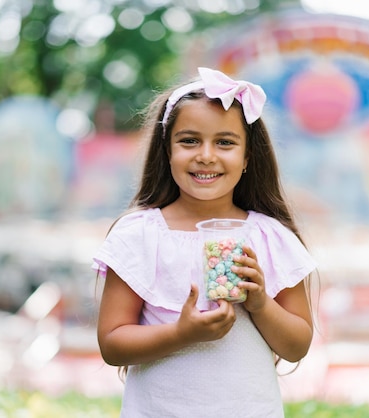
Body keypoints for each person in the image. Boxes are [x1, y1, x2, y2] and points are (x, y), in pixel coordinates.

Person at [93, 67, 317, 417]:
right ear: (167, 152)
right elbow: (112, 344)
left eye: (225, 142)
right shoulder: (139, 236)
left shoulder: (269, 238)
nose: (206, 155)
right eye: (189, 140)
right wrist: (181, 334)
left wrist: (259, 302)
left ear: (247, 158)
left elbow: (297, 345)